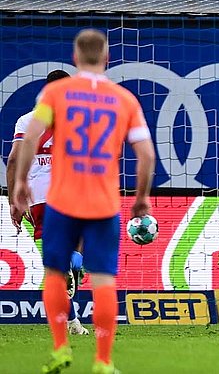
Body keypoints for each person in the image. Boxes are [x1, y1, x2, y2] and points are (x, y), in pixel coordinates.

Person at [13, 29, 155, 374]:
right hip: (102, 200)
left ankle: (61, 347)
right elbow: (146, 155)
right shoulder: (123, 98)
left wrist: (19, 184)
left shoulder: (56, 94)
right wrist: (140, 198)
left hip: (61, 197)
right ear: (106, 59)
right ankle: (103, 361)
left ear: (76, 59)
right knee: (104, 277)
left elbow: (29, 140)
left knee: (53, 274)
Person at [6, 69, 89, 336]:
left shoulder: (27, 121)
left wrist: (13, 200)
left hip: (38, 198)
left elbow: (15, 160)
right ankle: (75, 266)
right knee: (74, 253)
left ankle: (72, 322)